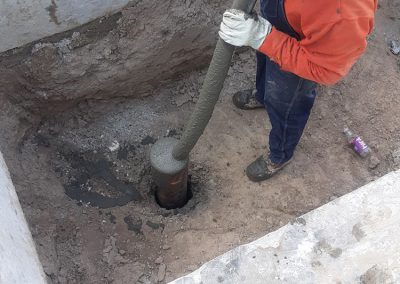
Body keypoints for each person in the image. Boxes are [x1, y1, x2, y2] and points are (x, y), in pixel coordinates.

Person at [219, 0, 378, 182]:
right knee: (266, 59)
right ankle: (262, 95)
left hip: (303, 44)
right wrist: (263, 38)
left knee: (286, 101)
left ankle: (280, 155)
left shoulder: (345, 11)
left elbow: (324, 69)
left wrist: (264, 38)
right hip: (284, 8)